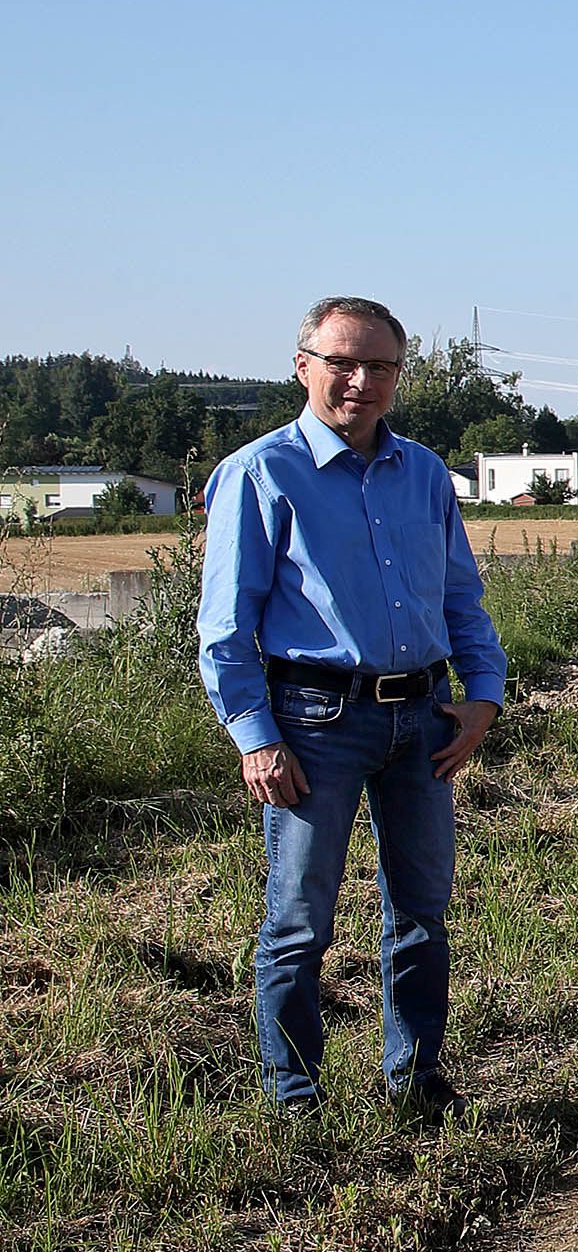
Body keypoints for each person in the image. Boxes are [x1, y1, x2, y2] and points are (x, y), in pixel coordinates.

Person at [198, 295, 508, 1114]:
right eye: (342, 362)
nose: (361, 381)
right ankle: (295, 1098)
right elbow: (226, 629)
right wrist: (254, 737)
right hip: (314, 723)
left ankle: (417, 1081)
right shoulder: (262, 473)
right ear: (303, 366)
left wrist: (483, 695)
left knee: (422, 911)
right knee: (300, 922)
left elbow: (460, 597)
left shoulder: (426, 473)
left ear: (399, 376)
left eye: (380, 366)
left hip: (425, 720)